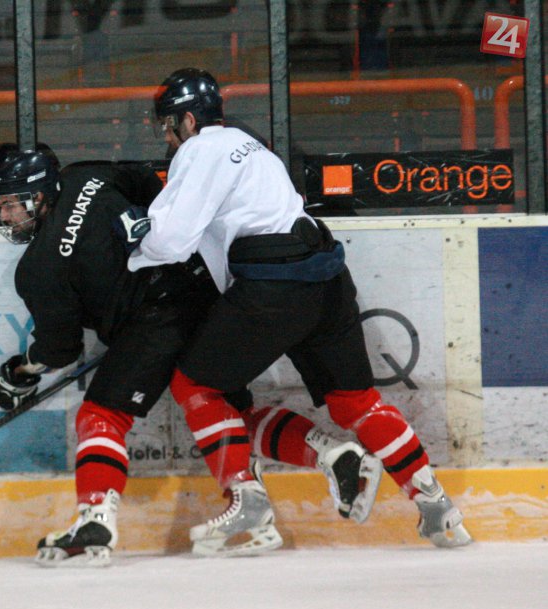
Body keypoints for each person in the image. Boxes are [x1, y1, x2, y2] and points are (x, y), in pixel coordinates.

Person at [0, 145, 383, 566]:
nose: (6, 216)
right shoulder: (89, 176)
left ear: (40, 195)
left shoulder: (38, 268)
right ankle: (330, 454)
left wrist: (23, 370)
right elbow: (149, 184)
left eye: (11, 205)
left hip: (153, 325)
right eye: (3, 207)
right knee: (225, 411)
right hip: (204, 293)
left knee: (101, 416)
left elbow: (60, 348)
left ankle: (94, 521)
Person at [127, 67, 471, 548]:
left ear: (187, 120)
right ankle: (436, 505)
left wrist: (132, 250)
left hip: (274, 288)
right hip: (328, 279)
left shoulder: (198, 150)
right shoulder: (251, 144)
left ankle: (246, 500)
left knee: (195, 385)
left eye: (167, 125)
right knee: (354, 401)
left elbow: (171, 240)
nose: (166, 137)